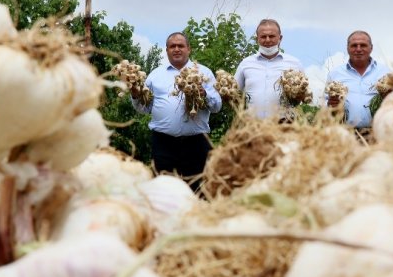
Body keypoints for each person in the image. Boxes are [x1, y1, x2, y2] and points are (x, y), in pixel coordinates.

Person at [130, 32, 221, 190]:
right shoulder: (155, 75)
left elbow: (217, 106)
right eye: (173, 46)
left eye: (181, 46)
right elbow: (144, 108)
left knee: (198, 190)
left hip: (196, 144)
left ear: (189, 49)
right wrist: (135, 95)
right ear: (167, 50)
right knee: (163, 192)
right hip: (163, 144)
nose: (177, 49)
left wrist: (203, 92)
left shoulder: (203, 73)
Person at [234, 18, 305, 119]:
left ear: (280, 38)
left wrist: (299, 95)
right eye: (263, 36)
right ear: (257, 39)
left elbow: (305, 95)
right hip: (253, 127)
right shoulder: (246, 64)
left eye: (271, 36)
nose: (267, 40)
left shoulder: (294, 64)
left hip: (285, 126)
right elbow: (234, 92)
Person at [325, 30, 390, 129]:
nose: (358, 49)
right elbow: (324, 104)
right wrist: (330, 105)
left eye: (363, 45)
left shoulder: (385, 72)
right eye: (354, 45)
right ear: (347, 48)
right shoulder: (335, 74)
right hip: (345, 133)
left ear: (371, 48)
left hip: (378, 132)